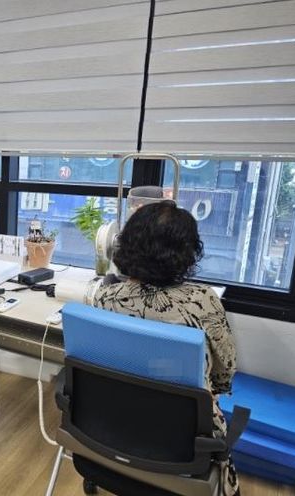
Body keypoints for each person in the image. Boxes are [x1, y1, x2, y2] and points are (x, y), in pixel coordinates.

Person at [92, 201, 239, 496]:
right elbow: (225, 373)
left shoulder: (104, 297)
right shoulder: (202, 301)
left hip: (114, 427)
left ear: (127, 244)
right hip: (184, 442)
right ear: (186, 253)